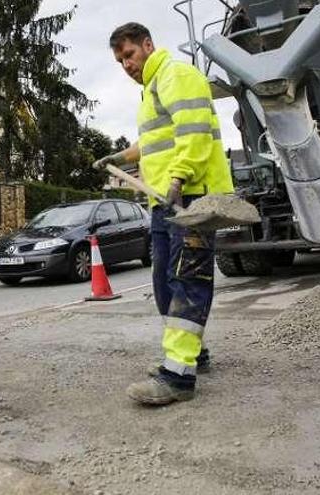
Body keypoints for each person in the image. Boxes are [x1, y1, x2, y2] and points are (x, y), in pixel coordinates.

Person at [93, 23, 233, 405]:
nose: (126, 64)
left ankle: (178, 376)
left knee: (188, 279)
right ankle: (194, 354)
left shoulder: (177, 75)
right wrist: (119, 157)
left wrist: (179, 177)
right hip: (163, 201)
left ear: (148, 45)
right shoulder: (152, 90)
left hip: (190, 196)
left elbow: (195, 131)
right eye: (120, 60)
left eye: (130, 55)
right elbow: (154, 139)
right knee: (163, 282)